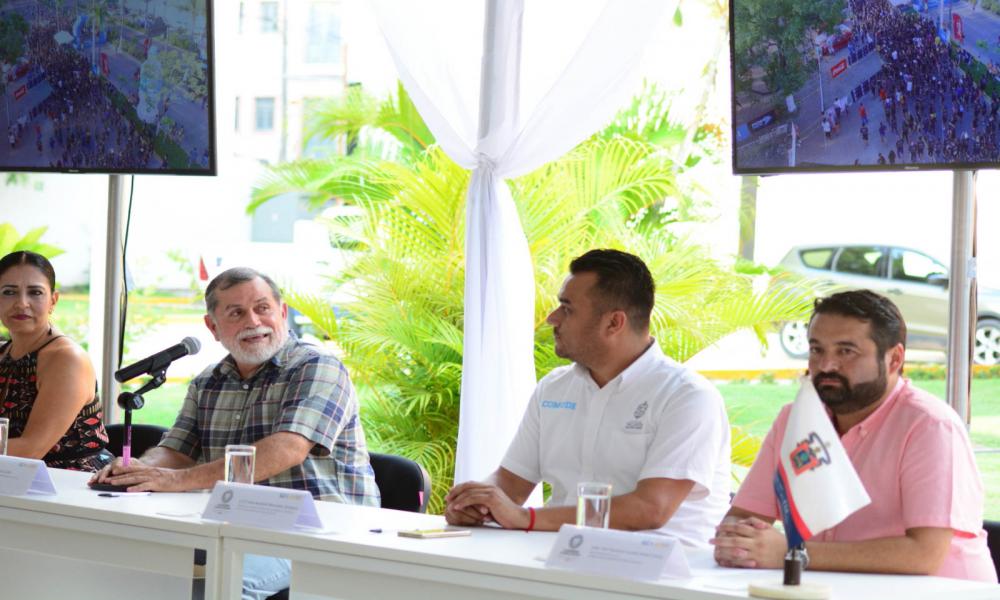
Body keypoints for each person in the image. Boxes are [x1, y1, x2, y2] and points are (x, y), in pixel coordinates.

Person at [92, 267, 380, 599]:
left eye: (263, 308)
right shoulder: (208, 381)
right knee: (136, 567)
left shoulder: (317, 367)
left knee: (220, 581)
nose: (253, 321)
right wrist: (138, 470)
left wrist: (171, 480)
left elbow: (287, 448)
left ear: (282, 313)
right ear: (212, 327)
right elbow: (176, 450)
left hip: (321, 529)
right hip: (238, 524)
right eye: (236, 313)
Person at [444, 249, 731, 547]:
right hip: (562, 560)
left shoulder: (687, 396)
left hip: (661, 576)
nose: (551, 319)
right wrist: (475, 503)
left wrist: (525, 518)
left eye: (567, 309)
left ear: (614, 323)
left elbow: (650, 509)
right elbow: (510, 484)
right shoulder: (554, 388)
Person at [712, 290, 997, 582]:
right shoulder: (795, 418)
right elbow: (743, 517)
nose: (826, 366)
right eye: (816, 350)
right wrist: (739, 541)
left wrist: (793, 551)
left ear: (894, 359)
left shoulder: (931, 426)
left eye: (846, 351)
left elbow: (925, 554)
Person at [0, 251, 112, 471]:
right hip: (11, 481)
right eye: (9, 292)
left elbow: (31, 449)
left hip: (72, 487)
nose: (22, 303)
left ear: (53, 300)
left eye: (35, 293)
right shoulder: (4, 352)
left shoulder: (68, 359)